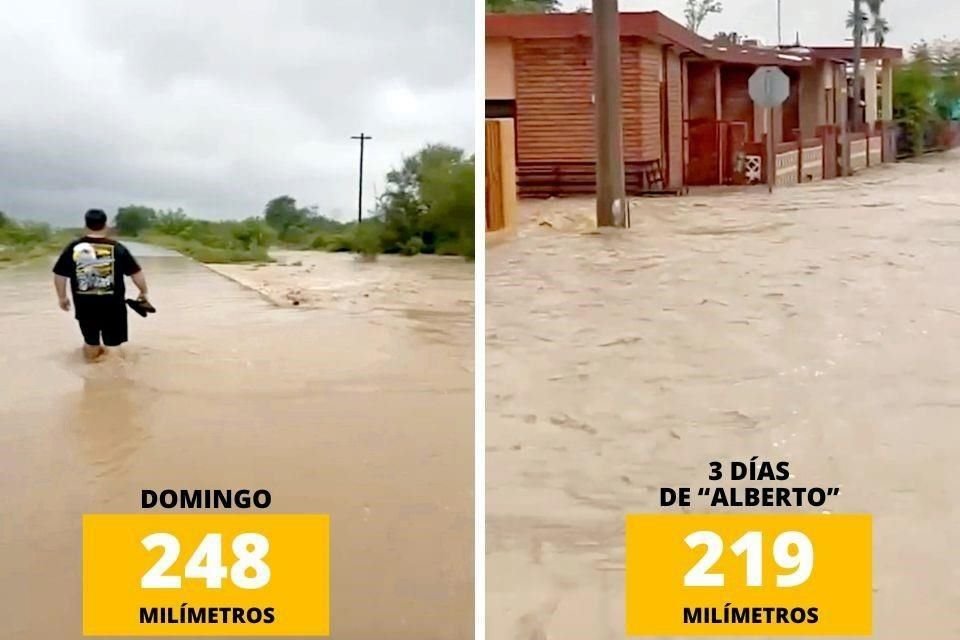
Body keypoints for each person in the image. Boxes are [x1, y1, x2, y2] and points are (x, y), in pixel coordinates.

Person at [53, 209, 149, 361]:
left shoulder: (73, 248)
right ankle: (115, 377)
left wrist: (62, 297)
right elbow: (136, 273)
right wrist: (143, 291)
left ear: (86, 225)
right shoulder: (118, 248)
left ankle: (91, 377)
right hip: (113, 306)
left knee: (91, 342)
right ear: (106, 225)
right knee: (113, 345)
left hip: (85, 305)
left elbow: (60, 274)